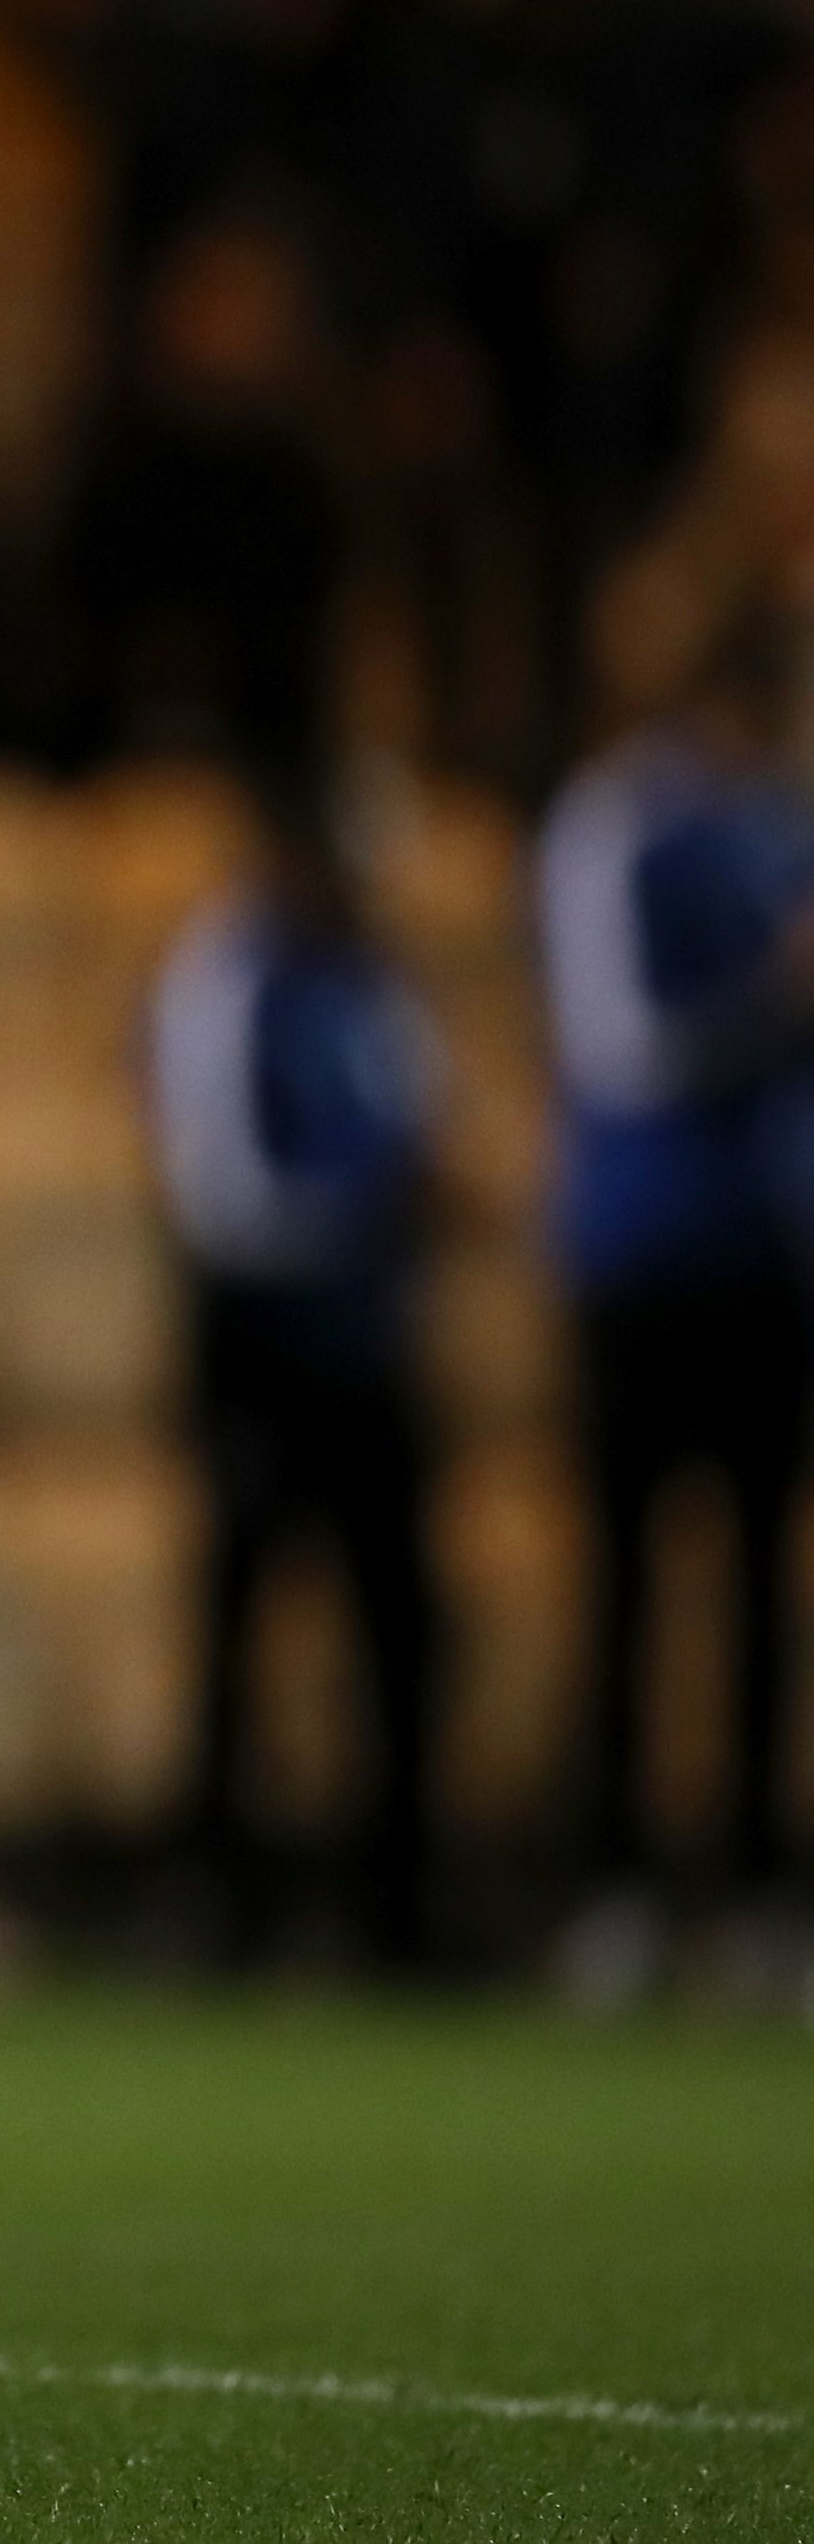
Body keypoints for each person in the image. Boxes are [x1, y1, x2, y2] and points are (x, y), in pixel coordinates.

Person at [539, 597, 814, 2004]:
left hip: (766, 1253)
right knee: (631, 1580)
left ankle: (765, 1891)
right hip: (640, 1249)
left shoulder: (778, 827)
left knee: (771, 1585)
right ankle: (619, 1883)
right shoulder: (617, 825)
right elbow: (619, 1038)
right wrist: (771, 994)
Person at [146, 783, 442, 1968]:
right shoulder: (224, 975)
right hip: (262, 1336)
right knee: (239, 1608)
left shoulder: (373, 985)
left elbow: (424, 1125)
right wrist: (365, 1211)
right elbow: (220, 1188)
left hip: (369, 1342)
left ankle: (395, 1902)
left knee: (400, 1622)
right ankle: (216, 1889)